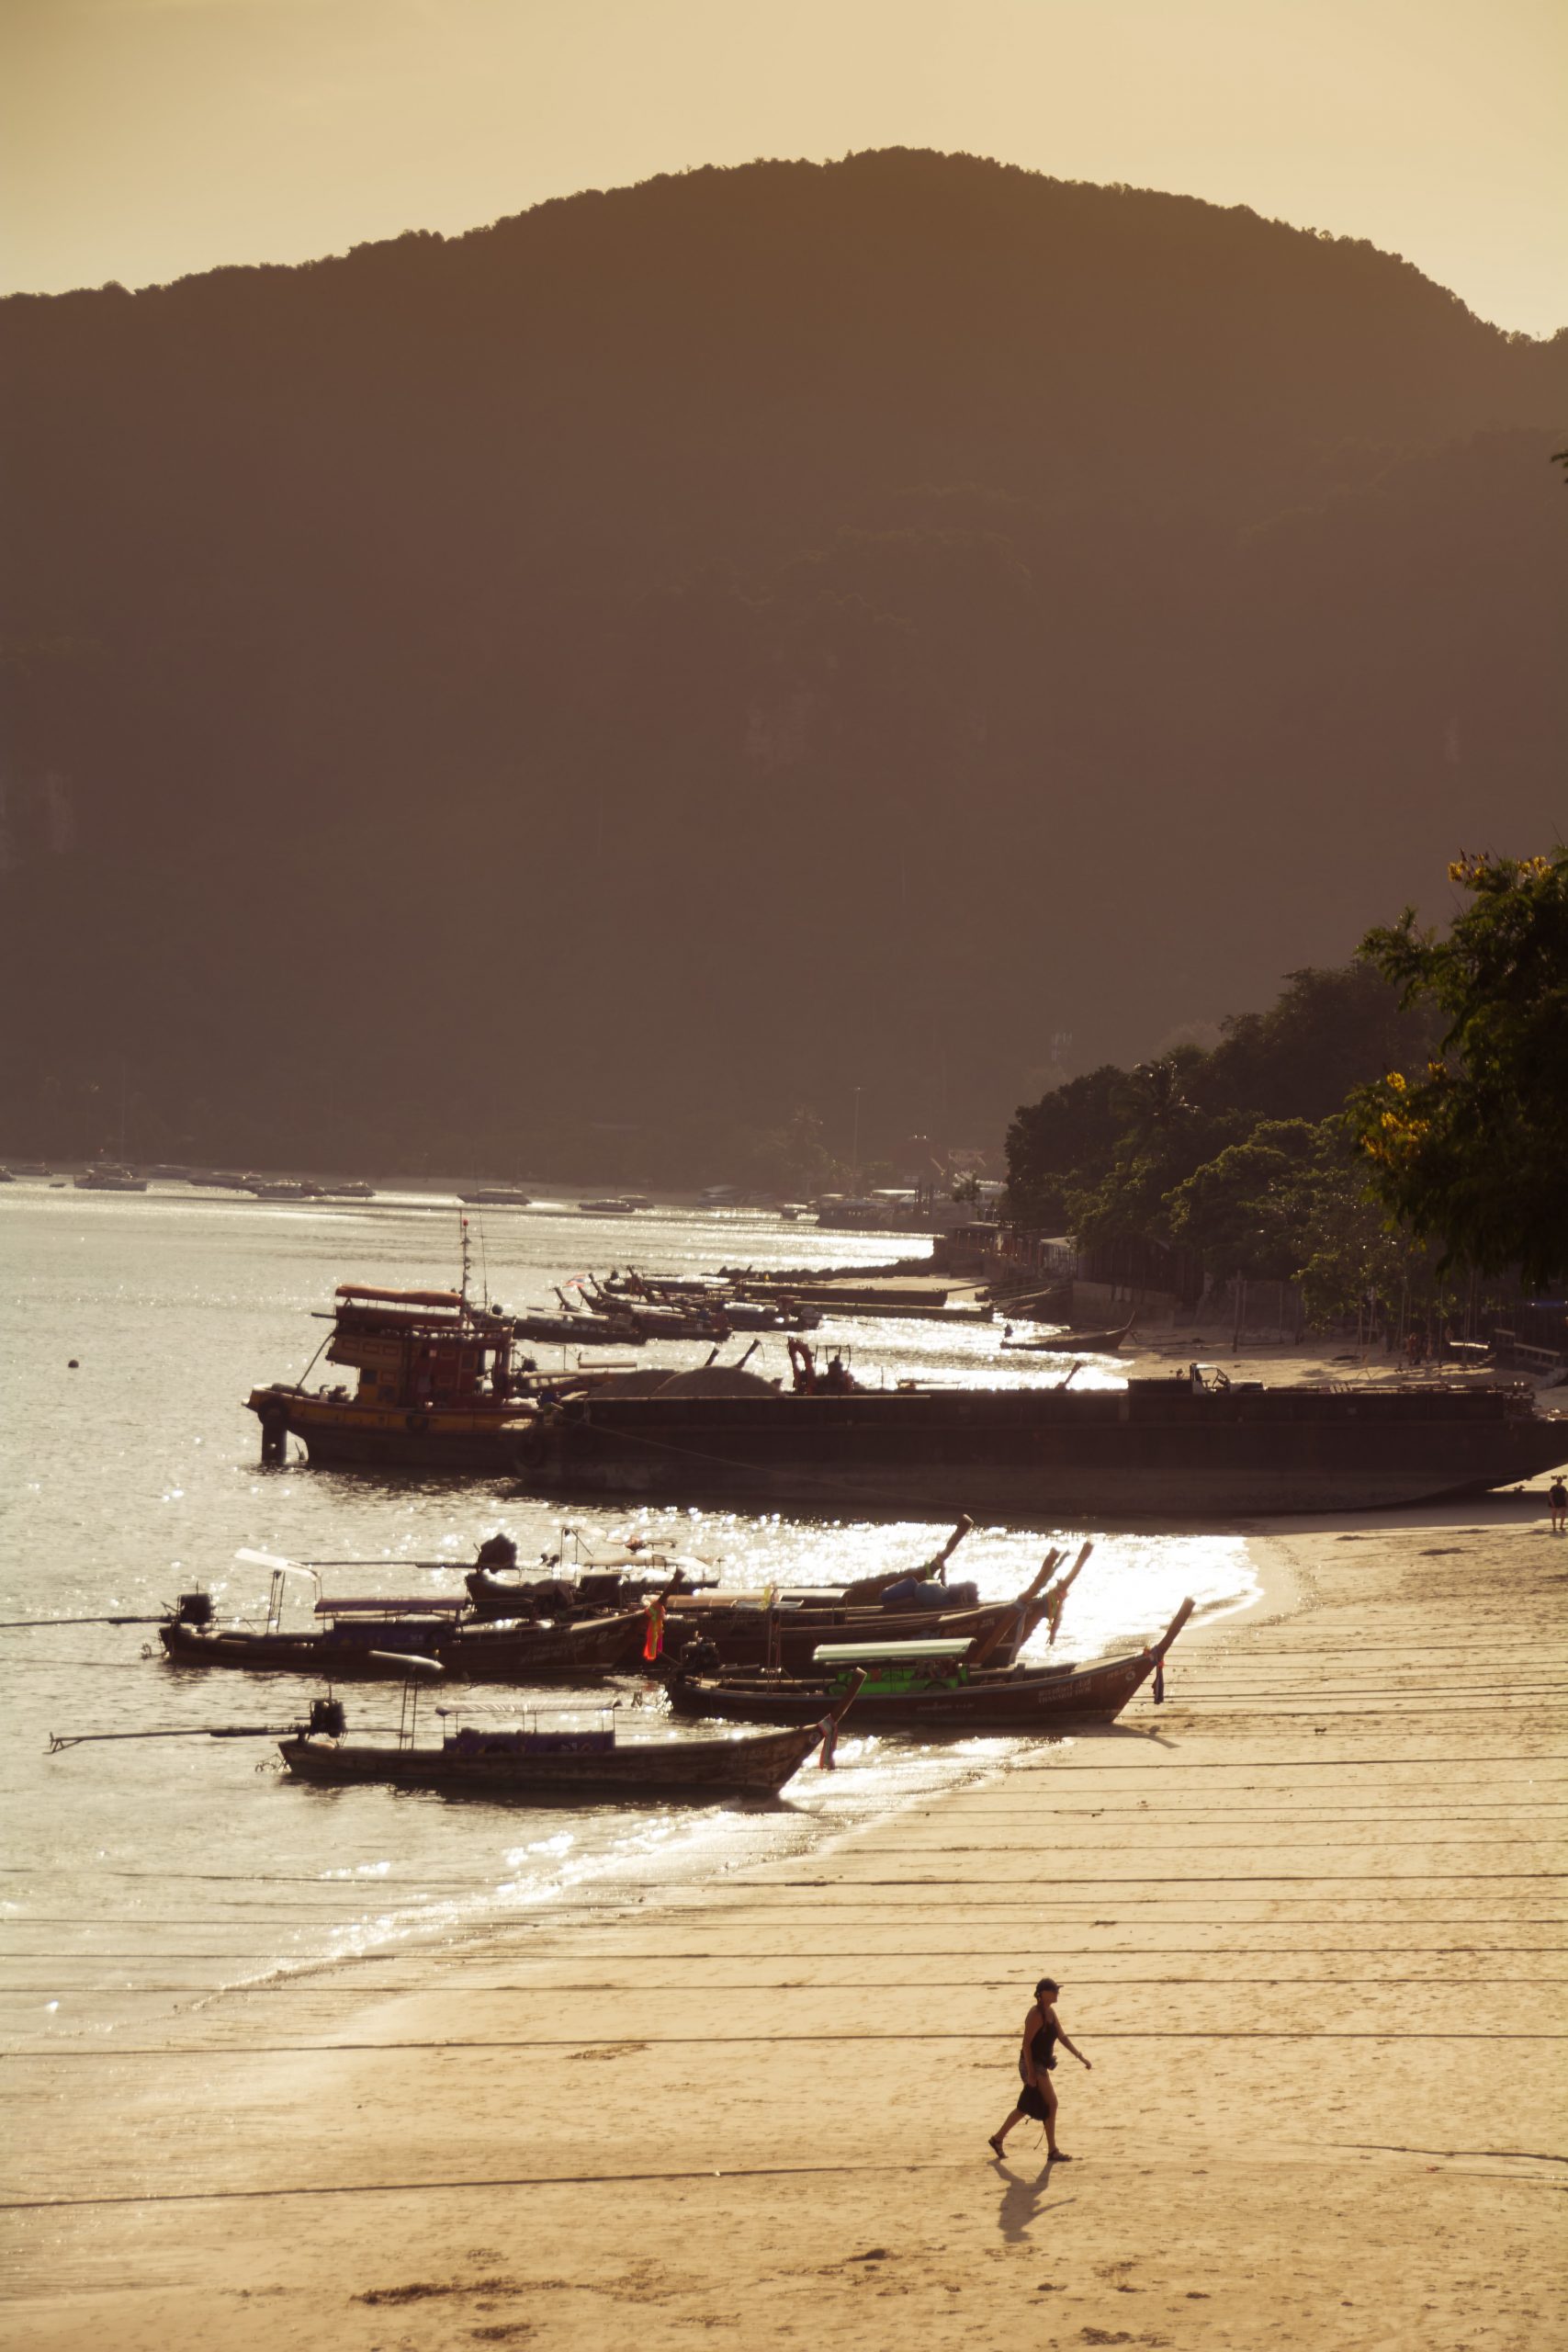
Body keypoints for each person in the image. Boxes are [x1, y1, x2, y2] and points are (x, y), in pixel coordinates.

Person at [987, 1976, 1090, 2161]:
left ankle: (998, 2138)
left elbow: (1063, 2037)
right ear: (1042, 1994)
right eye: (1054, 1990)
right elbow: (1026, 2045)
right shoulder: (1035, 2015)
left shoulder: (1050, 2013)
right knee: (1050, 2103)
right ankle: (1052, 2150)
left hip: (1040, 2064)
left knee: (1027, 2106)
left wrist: (1080, 2057)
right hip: (1030, 2064)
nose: (1057, 1993)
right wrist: (1032, 2074)